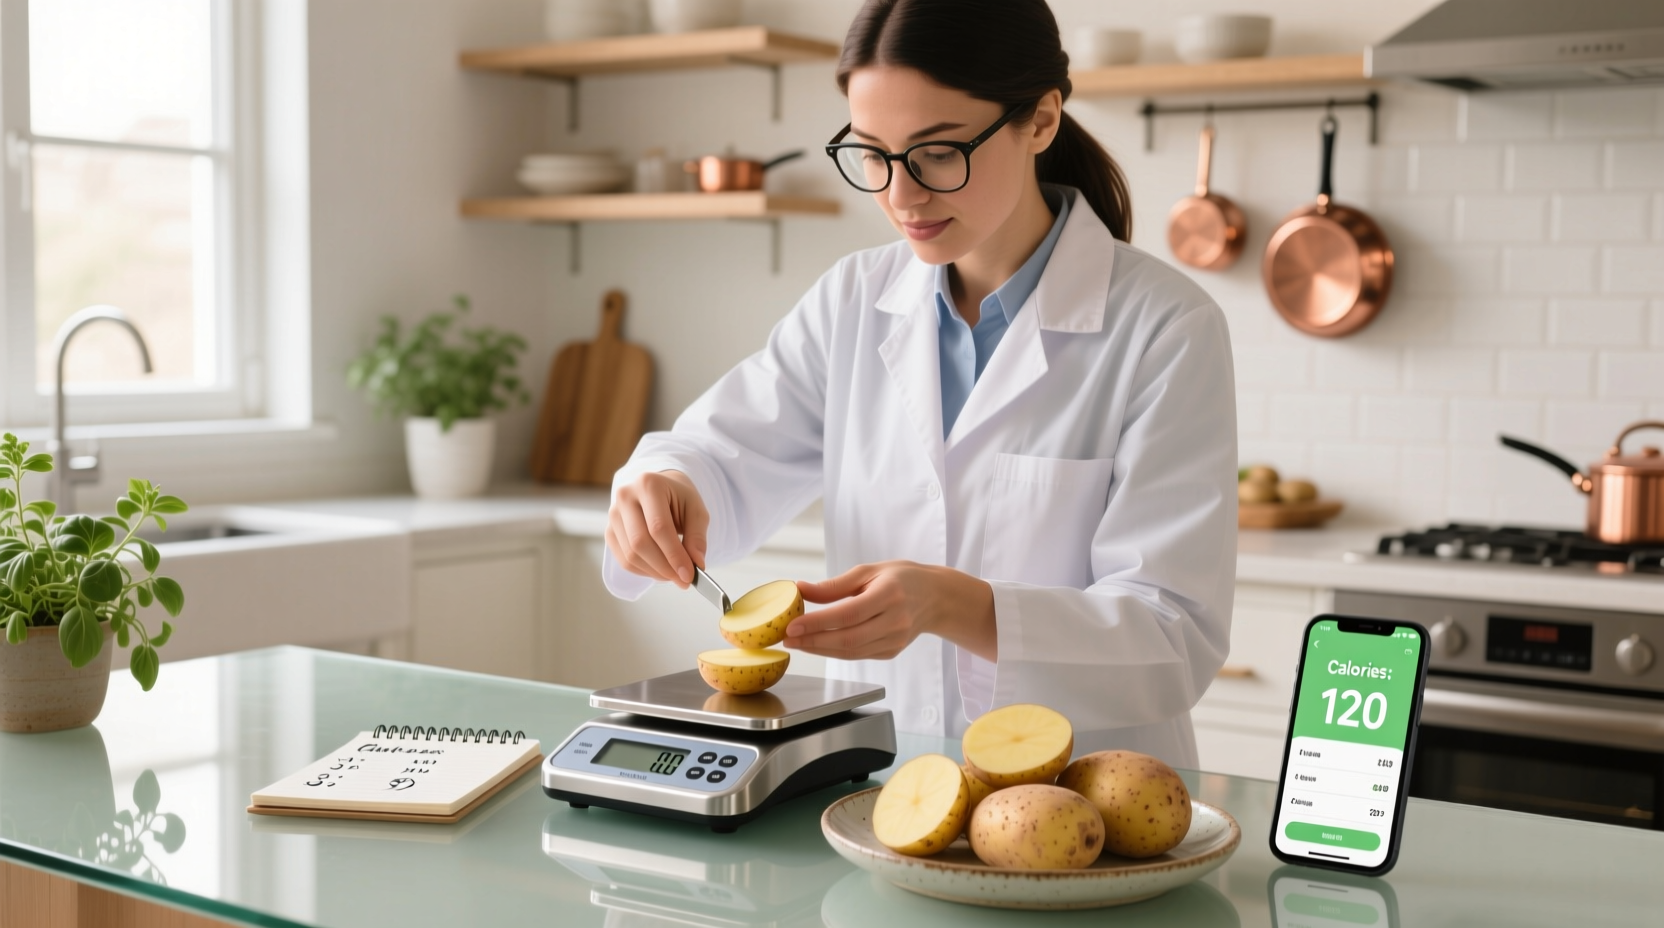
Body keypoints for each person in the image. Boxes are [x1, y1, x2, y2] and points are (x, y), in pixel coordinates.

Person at [603, 0, 1236, 768]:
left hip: (1081, 798)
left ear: (1040, 120)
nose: (901, 196)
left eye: (938, 153)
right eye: (872, 154)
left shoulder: (1166, 327)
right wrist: (666, 482)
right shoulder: (853, 300)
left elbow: (1173, 637)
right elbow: (719, 450)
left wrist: (956, 606)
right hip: (879, 786)